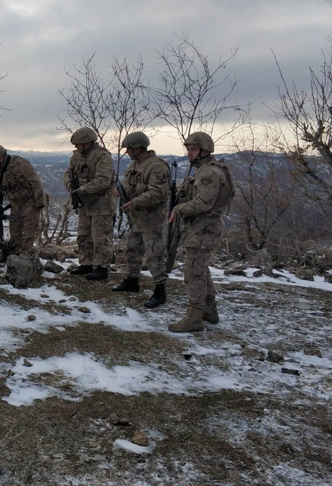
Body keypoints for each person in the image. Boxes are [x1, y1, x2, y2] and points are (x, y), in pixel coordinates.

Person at [167, 132, 234, 333]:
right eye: (188, 149)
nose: (189, 153)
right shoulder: (207, 170)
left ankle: (194, 317)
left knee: (193, 272)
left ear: (204, 151)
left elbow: (204, 203)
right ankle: (209, 310)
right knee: (201, 269)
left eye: (193, 149)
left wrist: (179, 209)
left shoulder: (209, 173)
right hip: (202, 227)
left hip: (204, 228)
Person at [113, 132, 171, 308]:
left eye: (130, 149)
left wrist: (134, 202)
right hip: (136, 218)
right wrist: (119, 192)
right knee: (132, 249)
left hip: (152, 219)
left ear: (139, 147)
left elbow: (158, 193)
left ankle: (160, 290)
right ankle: (132, 280)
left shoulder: (157, 167)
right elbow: (126, 185)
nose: (128, 152)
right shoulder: (133, 167)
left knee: (154, 254)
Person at [63, 127, 116, 281]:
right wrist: (71, 187)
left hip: (102, 203)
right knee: (84, 235)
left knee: (101, 237)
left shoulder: (102, 156)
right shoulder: (77, 157)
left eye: (79, 144)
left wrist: (82, 190)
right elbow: (68, 174)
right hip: (85, 203)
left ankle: (102, 267)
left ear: (88, 143)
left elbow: (103, 180)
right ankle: (86, 263)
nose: (76, 148)